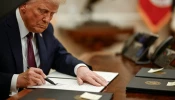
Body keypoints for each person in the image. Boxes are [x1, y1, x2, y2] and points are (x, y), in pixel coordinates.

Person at [0, 0, 107, 99]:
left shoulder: (46, 29)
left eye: (52, 14)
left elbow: (59, 55)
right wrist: (16, 80)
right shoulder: (3, 27)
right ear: (23, 5)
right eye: (43, 11)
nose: (47, 19)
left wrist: (80, 69)